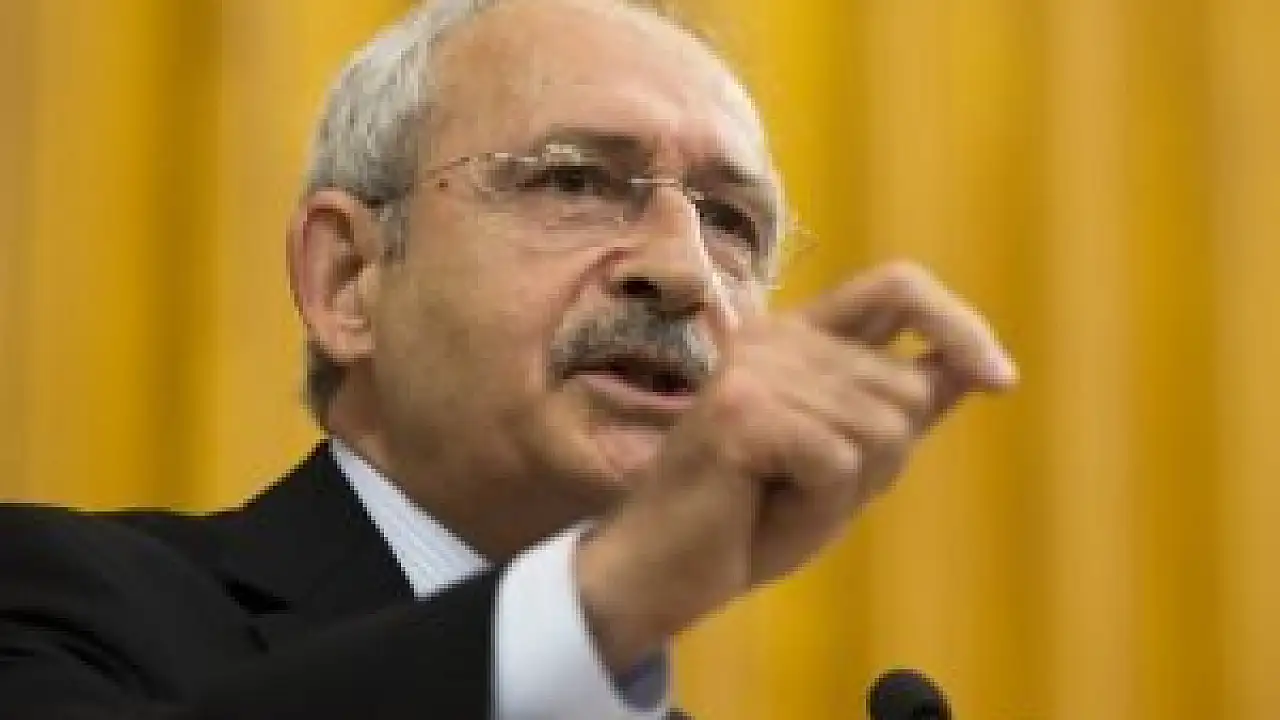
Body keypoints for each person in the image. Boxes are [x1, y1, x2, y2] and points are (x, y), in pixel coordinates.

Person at [0, 0, 1018, 718]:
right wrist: (612, 594)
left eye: (731, 223)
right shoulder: (62, 603)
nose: (683, 271)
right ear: (349, 277)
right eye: (575, 181)